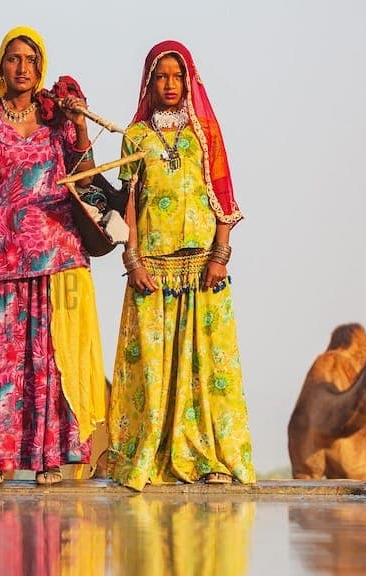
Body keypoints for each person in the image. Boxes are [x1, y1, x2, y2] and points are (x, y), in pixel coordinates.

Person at [0, 26, 106, 486]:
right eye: (13, 58)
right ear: (0, 65)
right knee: (0, 358)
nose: (22, 68)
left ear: (40, 68)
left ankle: (51, 457)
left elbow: (85, 175)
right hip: (1, 252)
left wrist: (78, 123)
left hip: (58, 253)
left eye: (31, 60)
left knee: (52, 358)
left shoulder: (54, 116)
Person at [107, 40, 255, 491]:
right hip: (152, 268)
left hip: (201, 270)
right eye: (161, 76)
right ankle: (150, 454)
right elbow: (126, 203)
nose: (169, 84)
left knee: (203, 368)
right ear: (148, 83)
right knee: (152, 372)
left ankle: (208, 456)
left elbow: (224, 196)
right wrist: (132, 262)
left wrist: (220, 255)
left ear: (188, 81)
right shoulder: (135, 137)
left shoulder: (204, 134)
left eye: (177, 76)